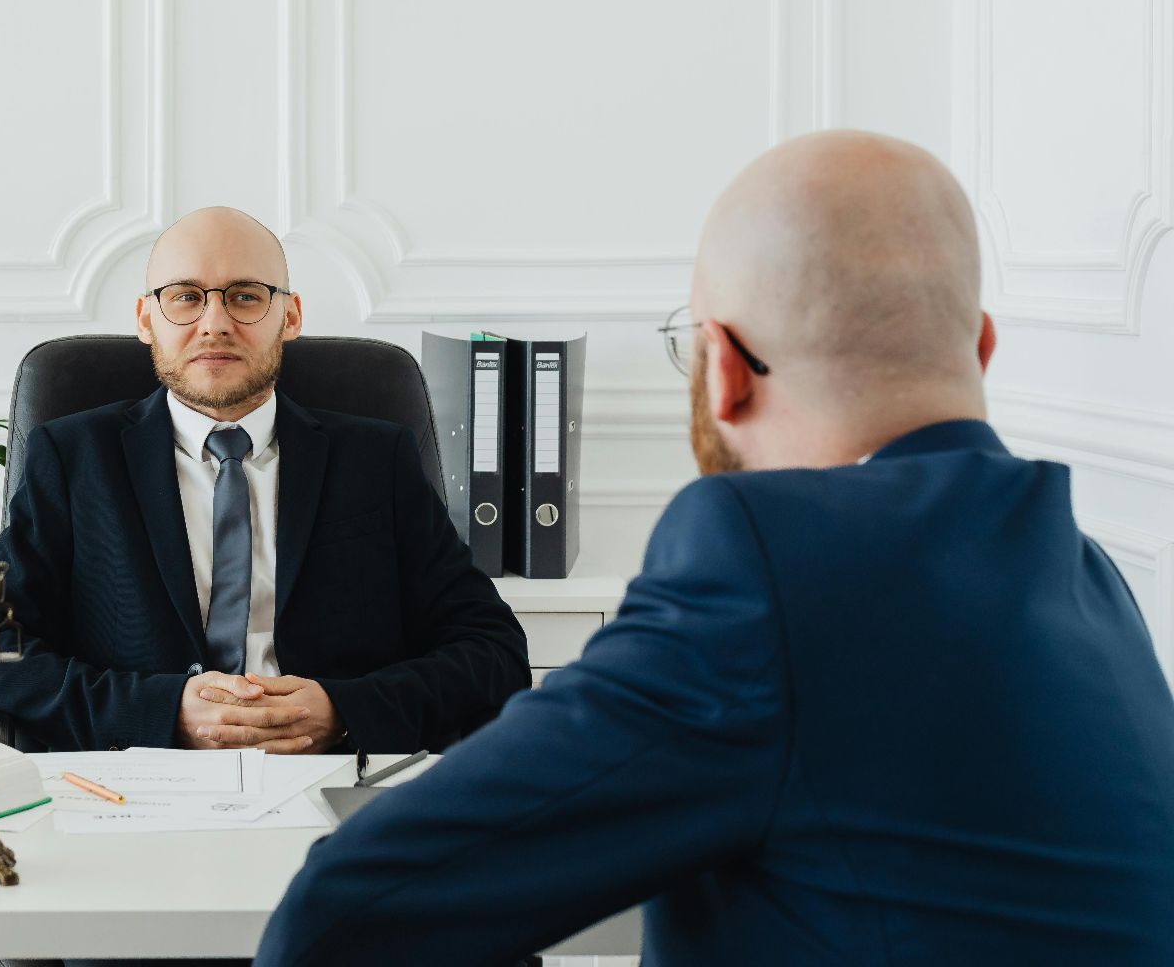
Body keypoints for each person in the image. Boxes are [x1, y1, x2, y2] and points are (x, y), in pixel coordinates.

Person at [255, 131, 1174, 965]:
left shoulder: (771, 562)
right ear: (980, 346)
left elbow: (340, 916)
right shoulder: (1089, 577)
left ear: (722, 368)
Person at [0, 206, 528, 756]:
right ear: (147, 319)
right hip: (141, 778)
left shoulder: (377, 458)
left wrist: (343, 711)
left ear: (290, 316)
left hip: (330, 775)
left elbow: (493, 652)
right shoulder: (72, 457)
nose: (215, 323)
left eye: (245, 296)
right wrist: (161, 710)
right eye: (186, 296)